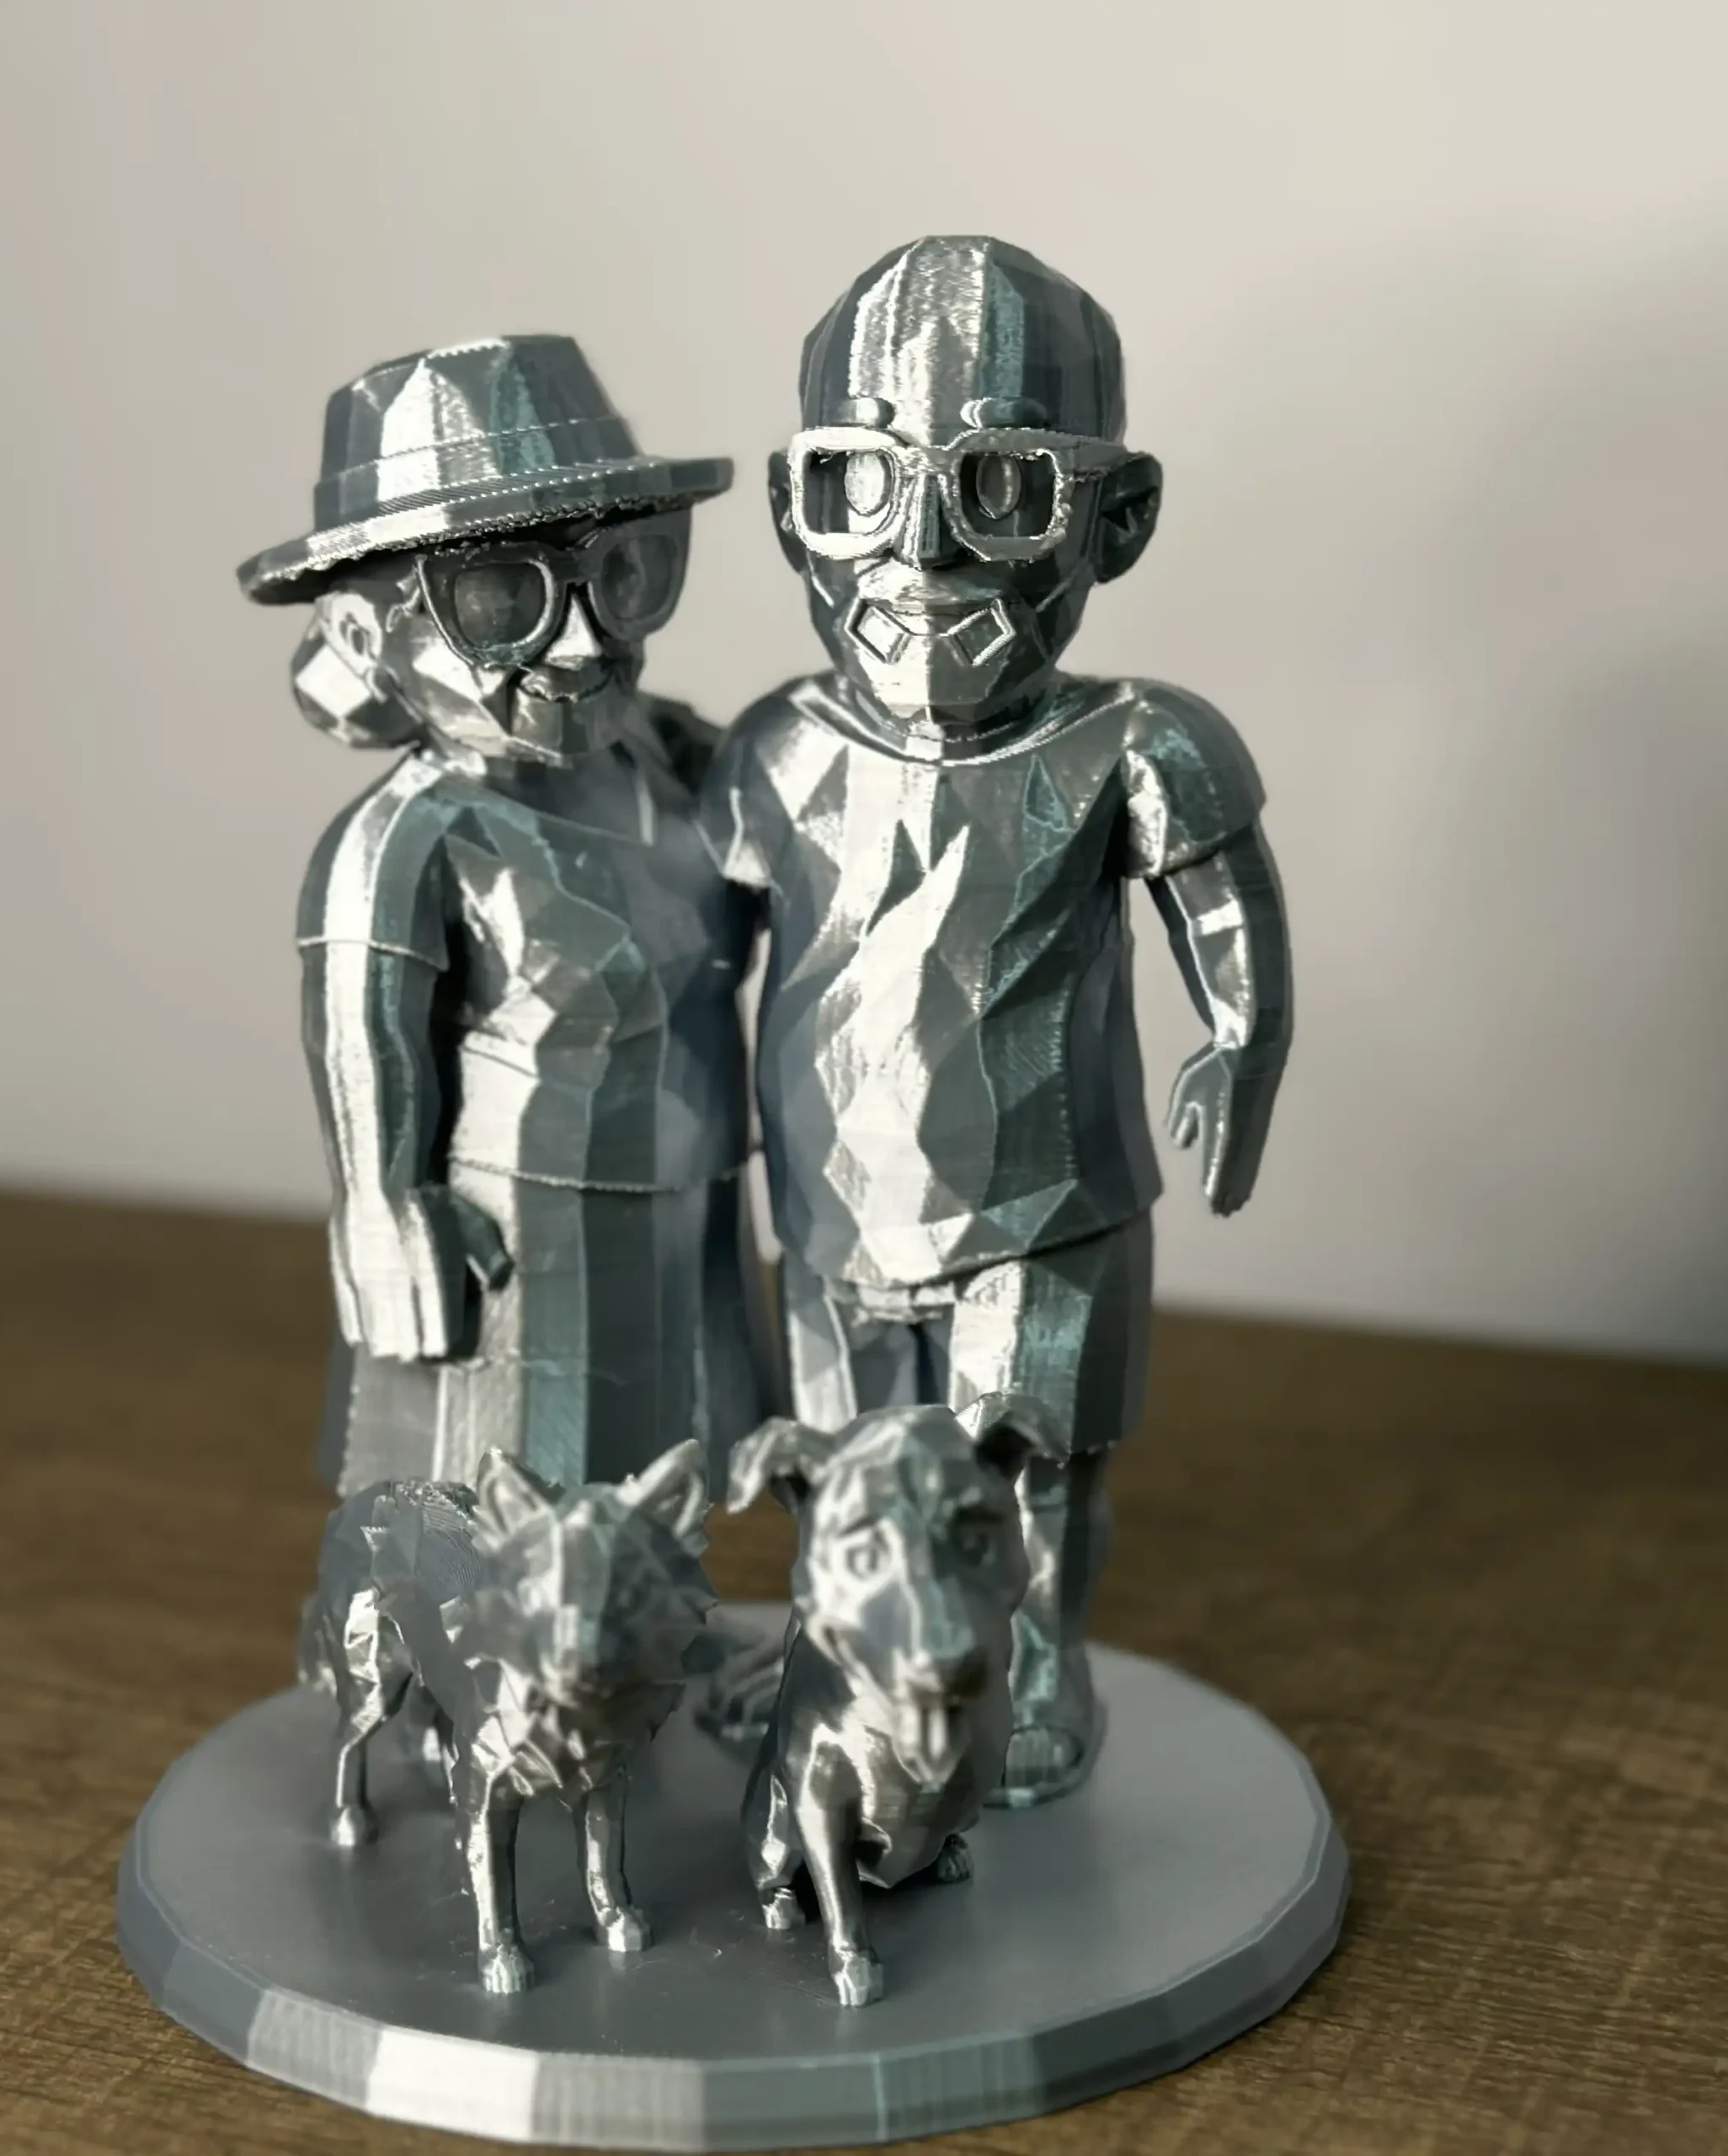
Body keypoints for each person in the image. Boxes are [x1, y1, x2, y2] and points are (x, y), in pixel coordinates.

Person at [704, 239, 1293, 1804]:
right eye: (858, 485)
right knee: (848, 1466)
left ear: (1119, 516)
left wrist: (1244, 1041)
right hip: (828, 1205)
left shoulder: (1140, 746)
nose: (923, 549)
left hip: (1052, 1202)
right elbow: (684, 950)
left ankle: (1033, 1669)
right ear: (793, 511)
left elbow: (1226, 912)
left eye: (1003, 490)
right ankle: (838, 1657)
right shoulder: (773, 752)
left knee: (1032, 1467)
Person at [239, 335, 762, 1493]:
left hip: (701, 1201)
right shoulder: (405, 839)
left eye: (624, 574)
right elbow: (363, 1041)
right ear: (364, 633)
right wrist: (381, 1211)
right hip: (526, 1233)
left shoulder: (669, 756)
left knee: (682, 1467)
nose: (583, 639)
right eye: (499, 597)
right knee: (520, 1486)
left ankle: (649, 1607)